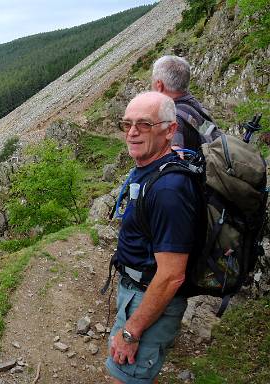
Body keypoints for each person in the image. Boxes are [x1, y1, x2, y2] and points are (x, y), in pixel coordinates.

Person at [105, 91, 201, 383]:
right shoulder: (153, 167)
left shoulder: (169, 191)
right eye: (127, 124)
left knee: (124, 375)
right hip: (137, 291)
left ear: (170, 130)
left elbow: (172, 276)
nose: (132, 132)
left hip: (147, 296)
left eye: (145, 124)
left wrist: (131, 332)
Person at [151, 55, 214, 152]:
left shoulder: (172, 119)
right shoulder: (195, 106)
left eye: (153, 81)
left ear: (159, 85)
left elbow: (175, 157)